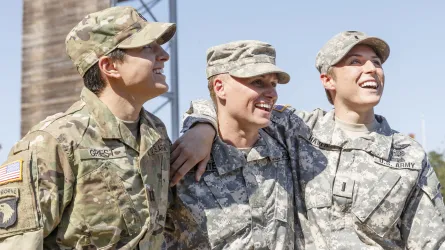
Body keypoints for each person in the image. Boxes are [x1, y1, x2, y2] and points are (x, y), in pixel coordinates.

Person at [177, 31, 445, 249]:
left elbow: (431, 240)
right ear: (328, 79)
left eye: (376, 62)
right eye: (355, 61)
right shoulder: (299, 129)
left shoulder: (407, 155)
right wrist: (201, 127)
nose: (371, 69)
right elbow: (231, 105)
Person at [0, 6, 212, 249]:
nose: (163, 55)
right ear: (110, 66)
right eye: (147, 47)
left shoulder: (155, 133)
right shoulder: (54, 142)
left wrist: (206, 125)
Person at [164, 40, 299, 249]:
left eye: (273, 84)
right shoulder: (183, 161)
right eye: (258, 82)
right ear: (220, 87)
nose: (272, 94)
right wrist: (202, 125)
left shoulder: (289, 147)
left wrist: (202, 123)